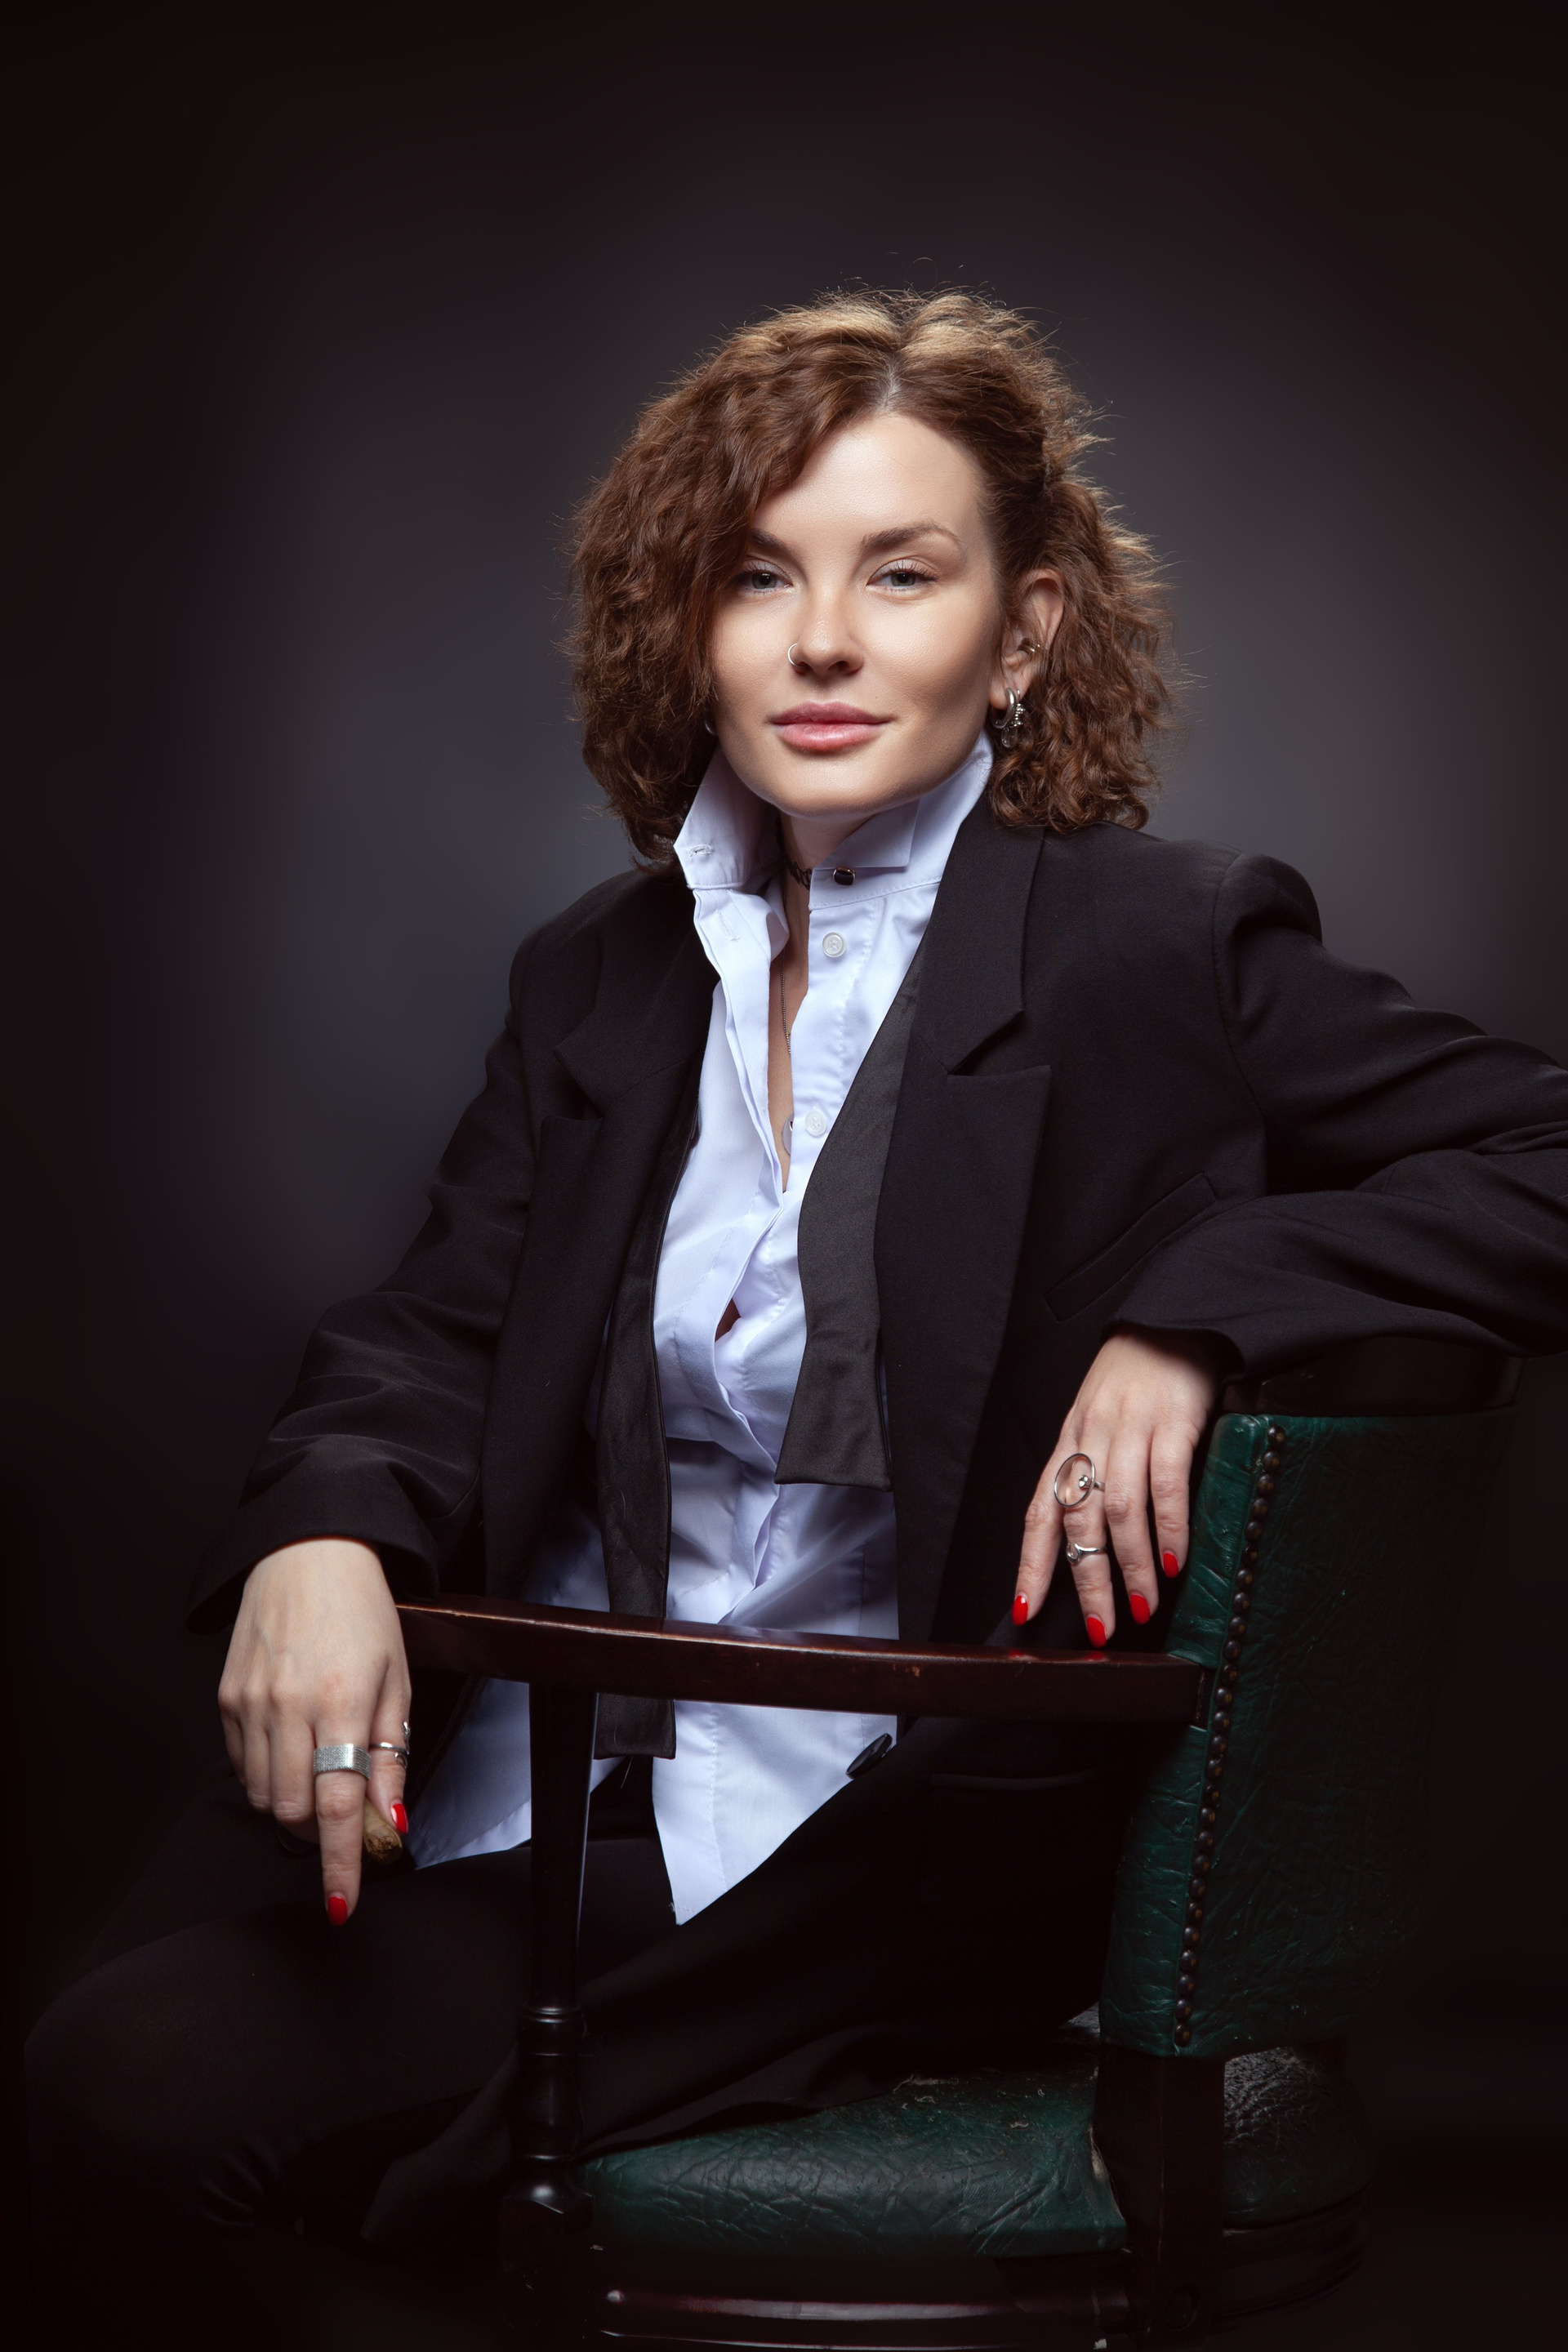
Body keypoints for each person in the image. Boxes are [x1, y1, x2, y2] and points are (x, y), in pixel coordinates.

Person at [28, 291, 1568, 2332]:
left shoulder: (1159, 946)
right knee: (72, 2095)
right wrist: (324, 1532)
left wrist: (1206, 1310)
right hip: (533, 1759)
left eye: (900, 574)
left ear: (1022, 632)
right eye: (759, 576)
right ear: (689, 625)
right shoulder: (600, 971)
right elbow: (434, 1329)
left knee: (150, 2095)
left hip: (888, 1837)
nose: (824, 640)